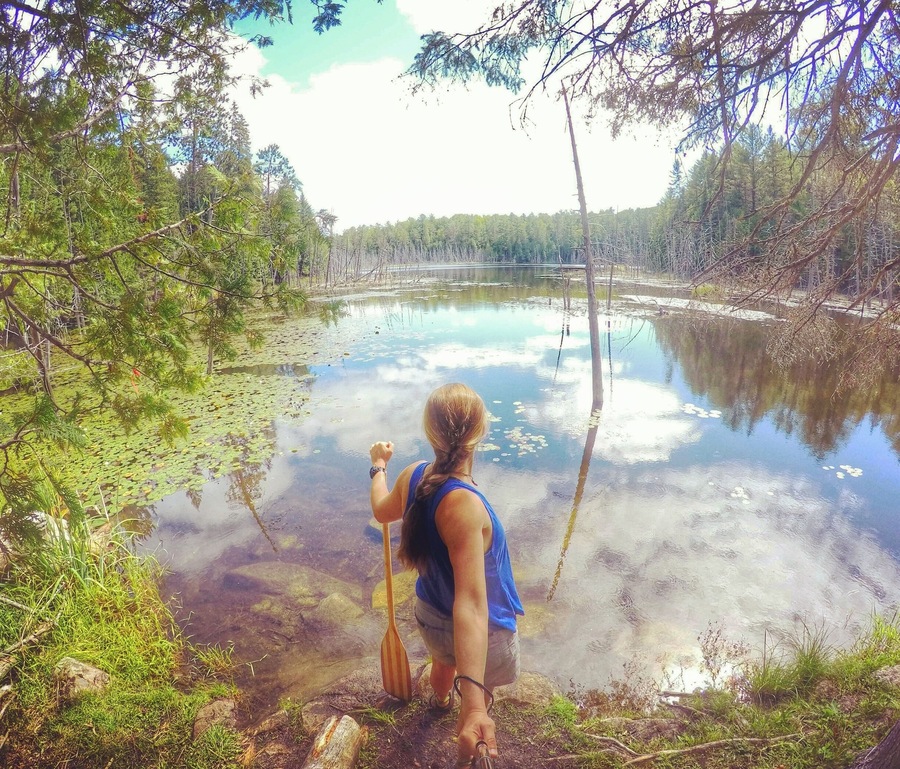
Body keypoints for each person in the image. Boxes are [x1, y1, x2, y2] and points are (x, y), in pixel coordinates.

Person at [368, 383, 524, 767]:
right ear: (480, 432)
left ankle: (439, 699)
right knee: (478, 690)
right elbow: (471, 605)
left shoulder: (412, 475)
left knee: (442, 662)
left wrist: (378, 467)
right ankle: (467, 724)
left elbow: (381, 511)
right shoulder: (464, 506)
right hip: (483, 630)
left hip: (430, 613)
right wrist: (473, 705)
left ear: (429, 431)